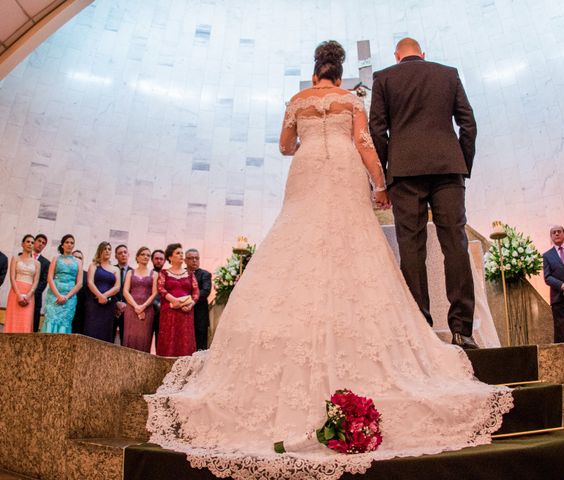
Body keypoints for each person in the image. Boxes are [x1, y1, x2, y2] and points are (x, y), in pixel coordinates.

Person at [145, 40, 512, 480]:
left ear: (315, 70)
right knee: (377, 243)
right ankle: (450, 329)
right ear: (339, 73)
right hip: (359, 167)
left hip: (310, 171)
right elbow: (366, 140)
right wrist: (380, 181)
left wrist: (319, 142)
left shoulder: (301, 100)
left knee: (298, 238)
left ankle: (321, 326)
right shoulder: (357, 97)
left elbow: (286, 145)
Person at [369, 37, 478, 349]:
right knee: (455, 244)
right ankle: (462, 330)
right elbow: (468, 125)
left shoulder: (384, 78)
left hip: (404, 173)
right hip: (448, 169)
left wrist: (386, 175)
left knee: (412, 248)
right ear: (423, 54)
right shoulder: (448, 74)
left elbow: (377, 130)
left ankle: (421, 330)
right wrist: (462, 165)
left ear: (397, 56)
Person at [156, 243, 199, 356]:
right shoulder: (164, 273)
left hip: (186, 311)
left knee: (185, 339)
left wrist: (191, 305)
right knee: (169, 338)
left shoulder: (190, 274)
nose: (181, 255)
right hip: (169, 311)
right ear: (170, 257)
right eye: (178, 253)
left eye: (182, 253)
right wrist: (173, 300)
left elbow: (196, 292)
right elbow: (160, 288)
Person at [42, 235, 83, 334]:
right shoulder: (56, 258)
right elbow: (50, 278)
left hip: (70, 298)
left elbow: (80, 283)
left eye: (72, 243)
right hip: (54, 296)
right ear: (62, 245)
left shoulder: (78, 261)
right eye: (67, 242)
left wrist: (66, 297)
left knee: (64, 323)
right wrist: (58, 295)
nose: (69, 244)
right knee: (51, 320)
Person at [122, 247, 158, 352]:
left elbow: (155, 293)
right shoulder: (130, 272)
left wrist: (143, 306)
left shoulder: (154, 274)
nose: (146, 257)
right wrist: (136, 306)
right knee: (130, 336)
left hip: (147, 309)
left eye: (148, 255)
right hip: (131, 309)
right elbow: (125, 291)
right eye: (143, 254)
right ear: (137, 257)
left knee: (144, 338)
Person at [84, 242, 120, 342]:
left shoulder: (115, 269)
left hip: (108, 304)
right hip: (94, 303)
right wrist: (99, 296)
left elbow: (117, 287)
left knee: (105, 331)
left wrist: (104, 296)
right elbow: (90, 283)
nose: (107, 251)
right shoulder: (94, 265)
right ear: (100, 250)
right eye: (105, 249)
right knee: (92, 329)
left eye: (109, 249)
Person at [4, 235, 40, 333]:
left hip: (29, 293)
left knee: (26, 321)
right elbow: (12, 277)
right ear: (22, 244)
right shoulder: (15, 258)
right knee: (13, 319)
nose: (30, 244)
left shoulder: (37, 263)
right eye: (28, 241)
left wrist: (28, 295)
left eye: (32, 242)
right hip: (15, 291)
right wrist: (19, 294)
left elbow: (36, 281)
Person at [185, 248, 212, 350]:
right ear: (185, 260)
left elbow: (205, 291)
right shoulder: (180, 273)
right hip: (183, 312)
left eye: (196, 258)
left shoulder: (205, 274)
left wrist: (187, 300)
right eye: (191, 258)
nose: (194, 260)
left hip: (200, 314)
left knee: (200, 343)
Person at [32, 233, 50, 332]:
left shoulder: (46, 263)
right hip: (20, 294)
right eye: (39, 241)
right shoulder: (22, 256)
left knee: (32, 326)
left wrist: (31, 293)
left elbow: (43, 282)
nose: (41, 244)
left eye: (43, 243)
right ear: (34, 241)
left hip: (35, 298)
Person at [113, 244, 131, 344]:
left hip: (128, 310)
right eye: (120, 253)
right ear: (116, 256)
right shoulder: (110, 270)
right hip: (112, 309)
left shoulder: (133, 272)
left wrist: (125, 304)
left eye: (125, 252)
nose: (123, 255)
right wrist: (116, 303)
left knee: (126, 341)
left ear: (128, 254)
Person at [71, 250, 88, 334]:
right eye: (75, 257)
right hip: (66, 308)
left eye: (80, 258)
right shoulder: (66, 273)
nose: (78, 259)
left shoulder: (87, 275)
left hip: (81, 313)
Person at [151, 249, 165, 347]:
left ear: (164, 261)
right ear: (152, 260)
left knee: (160, 341)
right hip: (149, 310)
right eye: (156, 258)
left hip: (163, 313)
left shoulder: (167, 275)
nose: (158, 261)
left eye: (161, 259)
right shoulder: (148, 274)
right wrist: (155, 304)